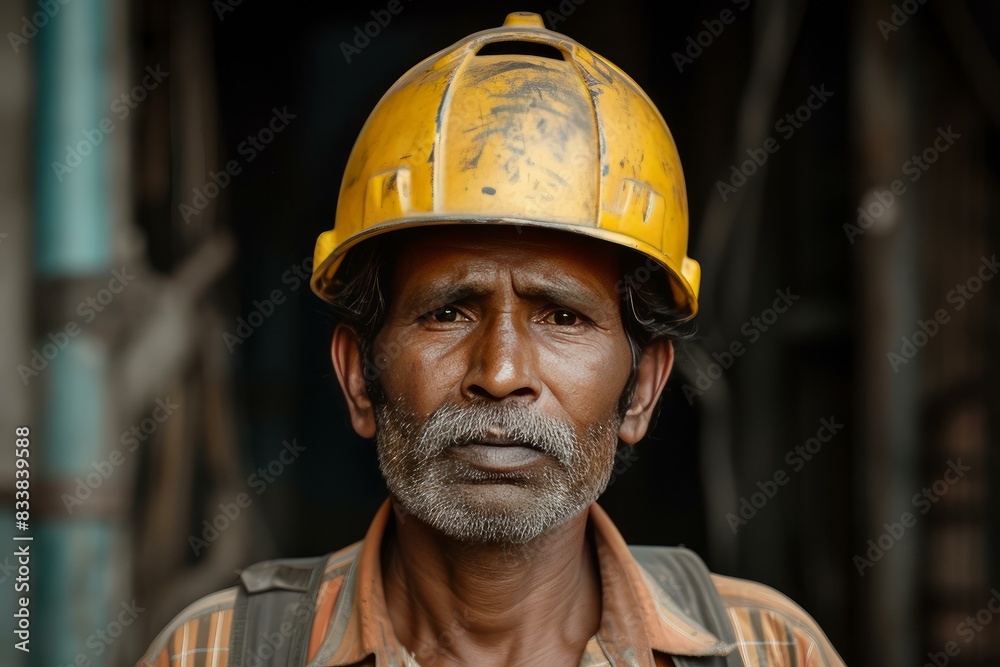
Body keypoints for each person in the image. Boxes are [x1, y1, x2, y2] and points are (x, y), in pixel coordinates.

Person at [137, 12, 845, 666]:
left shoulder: (772, 649)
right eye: (448, 311)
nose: (501, 372)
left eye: (562, 316)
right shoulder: (212, 653)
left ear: (643, 389)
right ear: (358, 378)